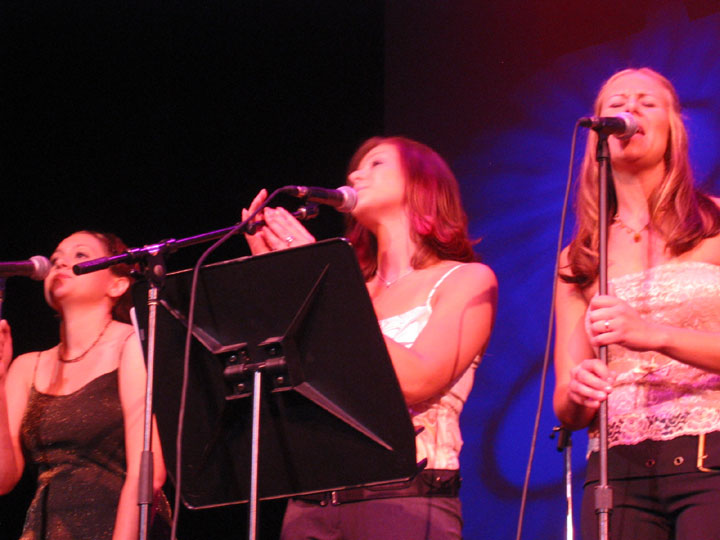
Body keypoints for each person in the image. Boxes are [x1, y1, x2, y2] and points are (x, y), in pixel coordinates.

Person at [242, 136, 498, 540]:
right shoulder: (345, 288)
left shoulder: (466, 279)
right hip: (311, 501)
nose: (354, 175)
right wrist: (283, 279)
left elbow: (417, 381)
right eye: (356, 168)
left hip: (405, 500)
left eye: (376, 163)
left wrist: (319, 278)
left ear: (421, 183)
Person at [553, 67, 720, 540]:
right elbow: (566, 404)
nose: (629, 108)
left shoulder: (716, 223)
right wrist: (578, 391)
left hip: (709, 459)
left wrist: (656, 335)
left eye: (646, 103)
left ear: (673, 130)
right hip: (617, 471)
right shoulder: (582, 255)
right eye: (616, 103)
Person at [0, 231, 168, 539]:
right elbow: (3, 479)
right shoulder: (26, 366)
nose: (61, 263)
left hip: (118, 527)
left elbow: (148, 472)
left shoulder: (131, 344)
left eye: (80, 255)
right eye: (55, 259)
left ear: (117, 285)